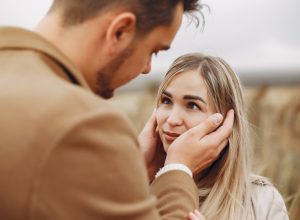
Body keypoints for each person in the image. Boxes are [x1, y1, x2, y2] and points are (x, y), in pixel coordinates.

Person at [0, 1, 234, 220]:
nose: (147, 69)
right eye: (153, 50)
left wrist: (132, 174)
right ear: (120, 31)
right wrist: (178, 169)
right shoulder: (84, 124)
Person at [153, 53, 289, 220]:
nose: (172, 119)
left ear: (225, 122)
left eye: (192, 105)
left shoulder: (262, 200)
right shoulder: (142, 191)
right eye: (166, 101)